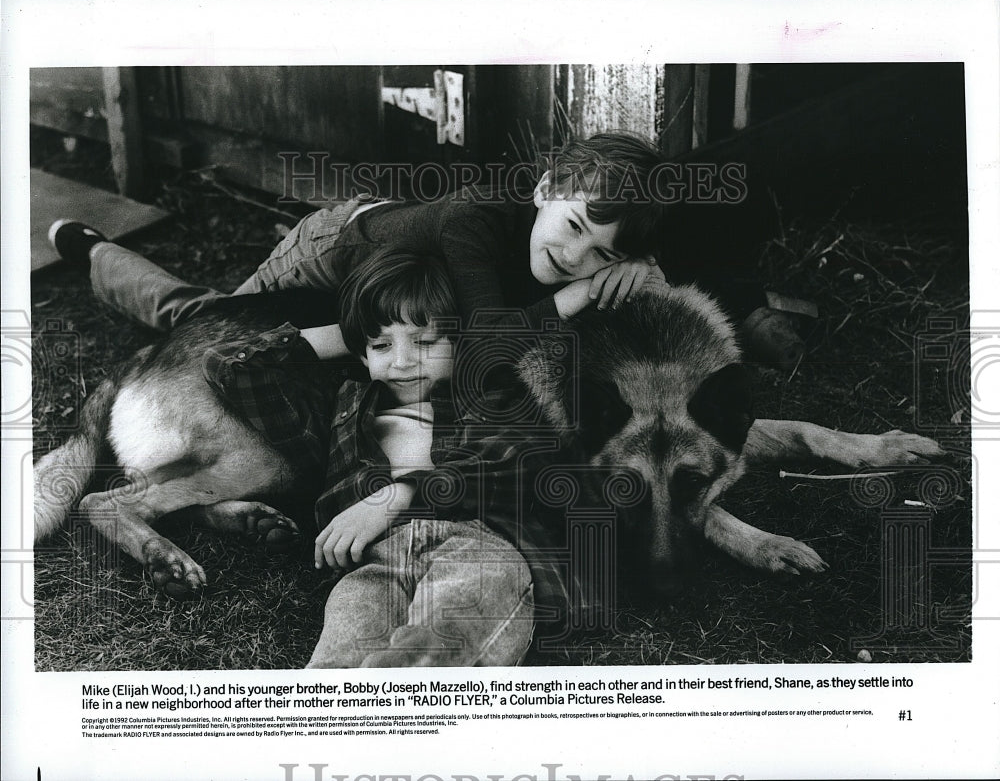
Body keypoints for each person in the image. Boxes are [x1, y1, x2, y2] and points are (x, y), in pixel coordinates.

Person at [47, 131, 804, 366]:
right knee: (207, 329)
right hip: (335, 250)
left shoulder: (592, 248)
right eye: (573, 228)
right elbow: (484, 346)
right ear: (545, 189)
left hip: (410, 284)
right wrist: (573, 300)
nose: (576, 258)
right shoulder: (475, 221)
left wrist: (643, 269)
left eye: (601, 255)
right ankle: (91, 252)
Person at [202, 246, 573, 667]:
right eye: (382, 346)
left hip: (475, 545)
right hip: (373, 561)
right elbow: (228, 366)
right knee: (335, 667)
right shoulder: (342, 408)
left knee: (444, 640)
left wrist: (396, 497)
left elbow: (507, 469)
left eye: (425, 341)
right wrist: (349, 334)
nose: (401, 361)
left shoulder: (487, 393)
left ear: (460, 338)